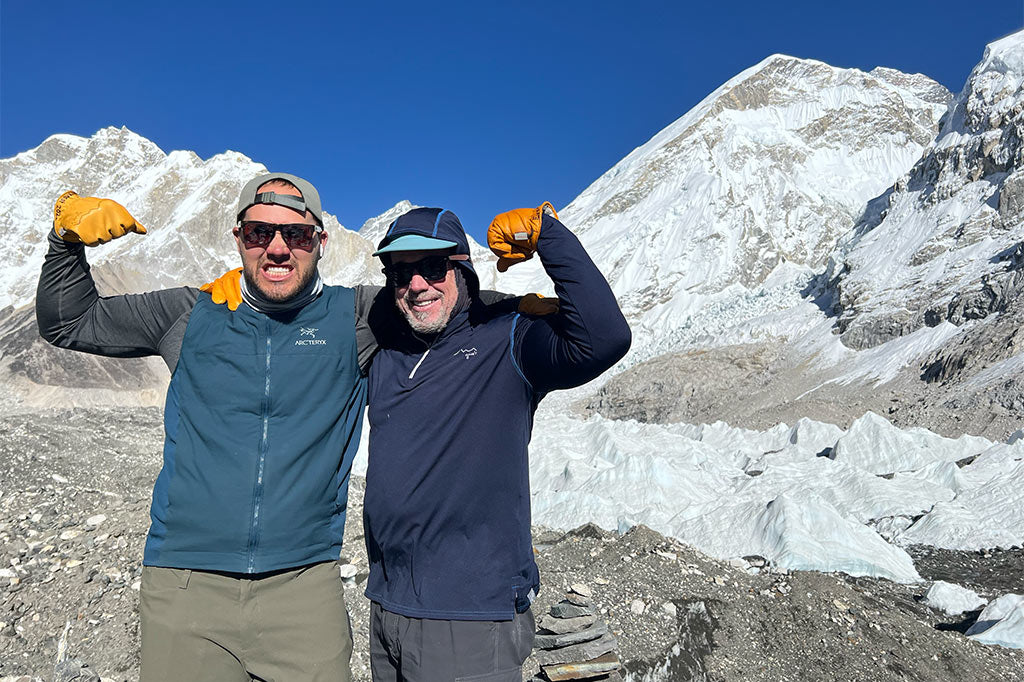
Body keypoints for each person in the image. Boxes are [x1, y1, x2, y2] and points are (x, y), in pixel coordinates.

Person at [37, 173, 370, 682]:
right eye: (260, 232)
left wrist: (541, 248)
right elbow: (69, 322)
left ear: (321, 243)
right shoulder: (191, 313)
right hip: (184, 585)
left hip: (304, 585)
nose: (278, 249)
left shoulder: (355, 317)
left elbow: (448, 306)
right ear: (238, 238)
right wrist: (65, 241)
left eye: (297, 235)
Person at [360, 203, 631, 680]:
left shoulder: (508, 340)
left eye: (432, 266)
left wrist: (547, 234)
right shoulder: (388, 347)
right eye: (400, 273)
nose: (416, 284)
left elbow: (604, 338)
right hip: (387, 607)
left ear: (462, 268)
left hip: (469, 616)